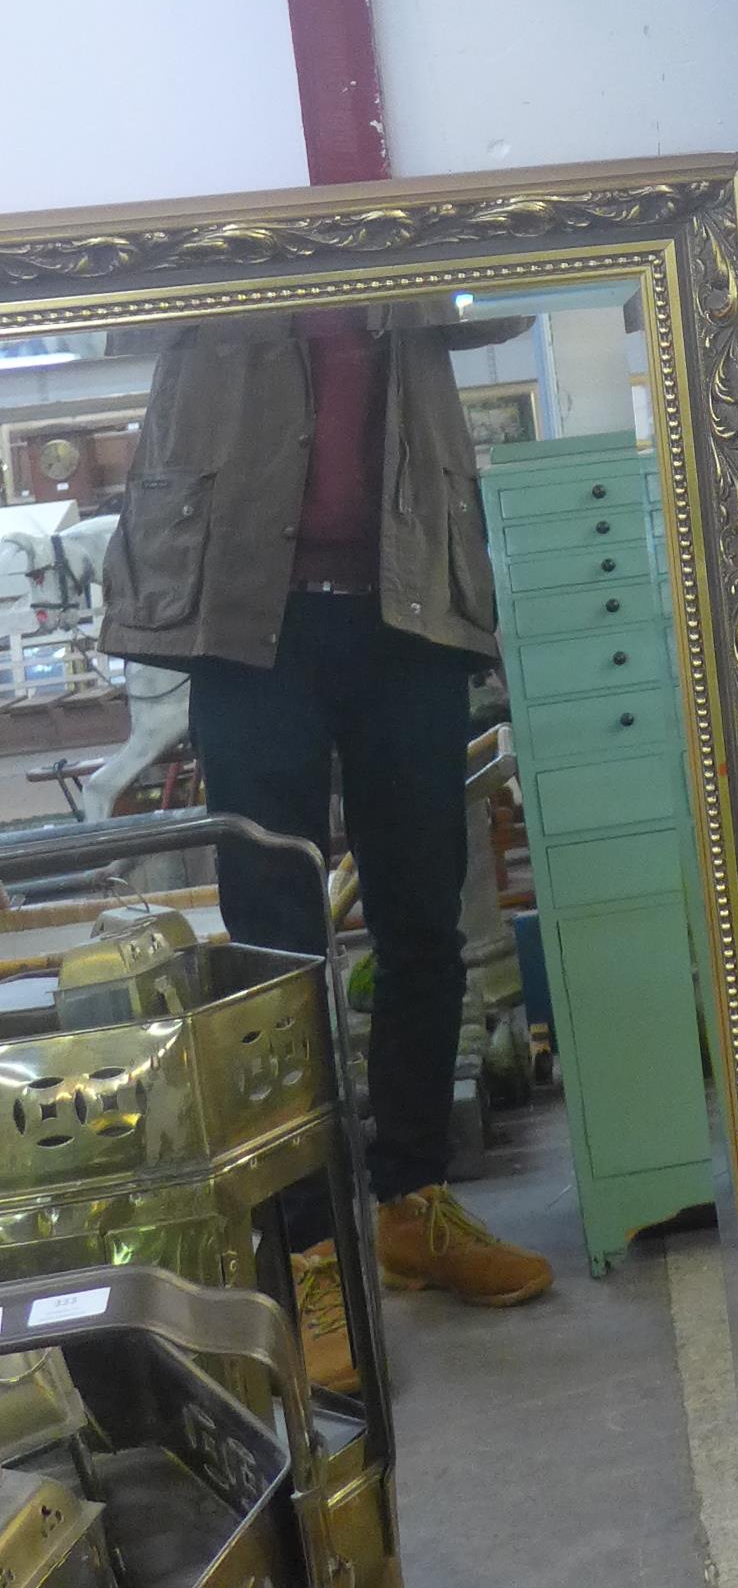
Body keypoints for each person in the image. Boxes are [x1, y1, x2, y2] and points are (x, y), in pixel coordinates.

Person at [102, 305, 553, 1382]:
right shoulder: (226, 214)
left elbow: (506, 296)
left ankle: (409, 1204)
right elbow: (124, 307)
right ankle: (308, 1255)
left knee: (422, 921)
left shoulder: (394, 220)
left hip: (406, 610)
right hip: (249, 621)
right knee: (277, 951)